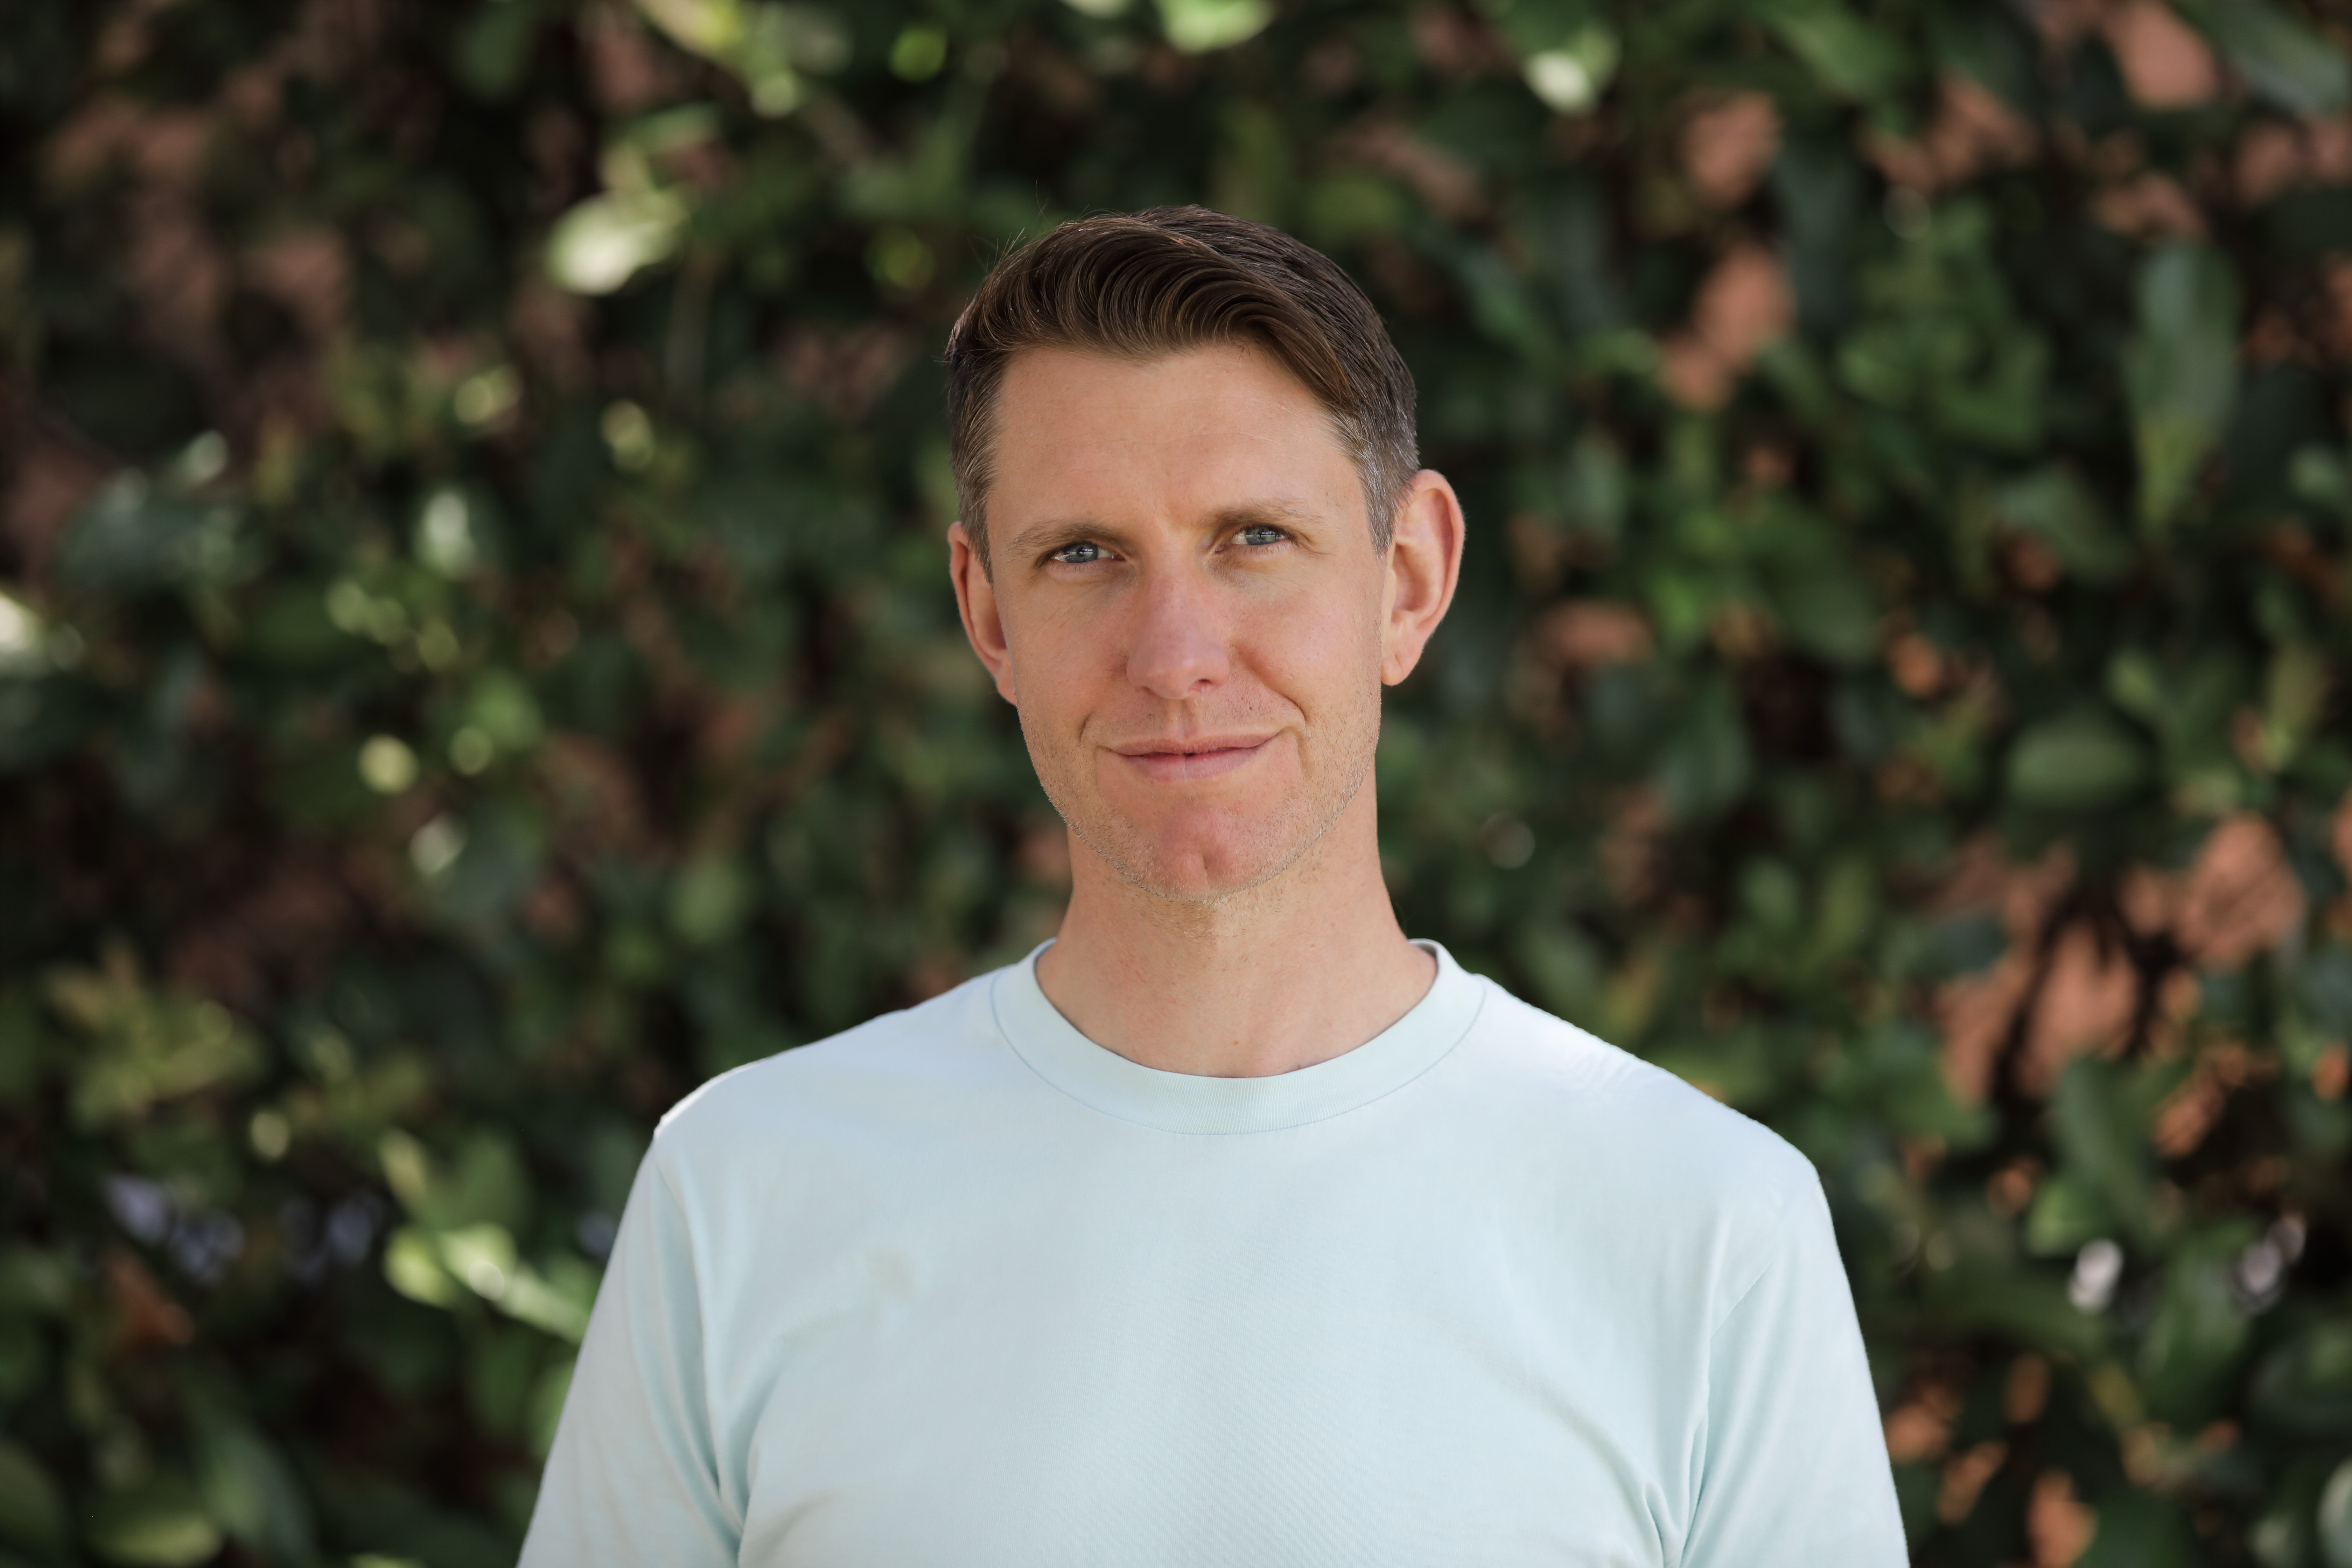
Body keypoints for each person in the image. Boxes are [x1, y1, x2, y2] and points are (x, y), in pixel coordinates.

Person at [522, 207, 1907, 1566]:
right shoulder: (743, 1191)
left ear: (1409, 580)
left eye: (1254, 539)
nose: (1176, 655)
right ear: (987, 611)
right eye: (1083, 554)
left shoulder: (1706, 1228)